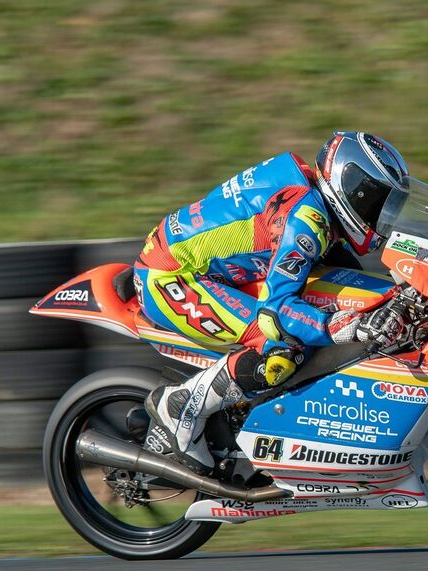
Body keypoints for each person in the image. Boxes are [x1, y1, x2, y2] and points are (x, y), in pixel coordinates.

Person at [135, 132, 410, 475]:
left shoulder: (310, 201)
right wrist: (338, 326)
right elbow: (277, 309)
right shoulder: (307, 218)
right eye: (377, 204)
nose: (382, 218)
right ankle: (179, 406)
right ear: (351, 188)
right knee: (283, 345)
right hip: (172, 278)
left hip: (213, 269)